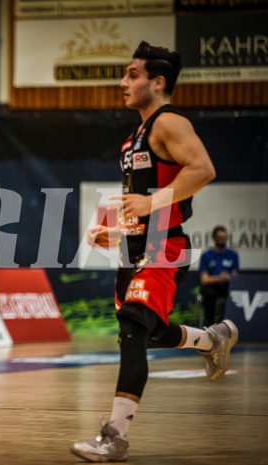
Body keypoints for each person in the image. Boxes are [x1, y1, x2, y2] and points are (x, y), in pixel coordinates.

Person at [72, 42, 239, 462]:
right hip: (134, 248)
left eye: (132, 74)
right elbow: (137, 198)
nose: (124, 82)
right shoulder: (134, 139)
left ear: (158, 82)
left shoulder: (170, 122)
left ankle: (114, 437)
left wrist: (153, 203)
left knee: (132, 332)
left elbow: (203, 169)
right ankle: (211, 338)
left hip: (164, 246)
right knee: (147, 333)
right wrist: (112, 229)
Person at [199, 225, 239, 326]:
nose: (223, 241)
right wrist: (218, 278)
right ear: (214, 238)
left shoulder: (233, 255)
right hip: (212, 286)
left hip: (227, 286)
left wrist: (227, 277)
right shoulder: (206, 255)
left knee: (235, 293)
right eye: (220, 238)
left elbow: (235, 276)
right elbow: (204, 279)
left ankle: (229, 324)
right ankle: (209, 323)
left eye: (225, 238)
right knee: (209, 293)